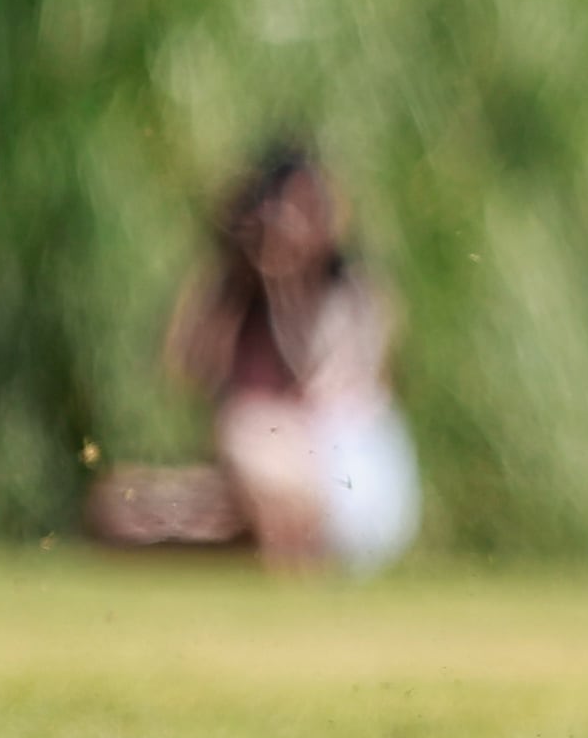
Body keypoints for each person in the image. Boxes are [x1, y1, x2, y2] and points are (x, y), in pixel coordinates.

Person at [86, 144, 420, 575]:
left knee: (244, 430)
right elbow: (182, 363)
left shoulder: (350, 296)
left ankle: (290, 565)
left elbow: (315, 399)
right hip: (261, 483)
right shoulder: (239, 301)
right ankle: (257, 552)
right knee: (124, 505)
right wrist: (230, 269)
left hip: (347, 483)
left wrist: (287, 288)